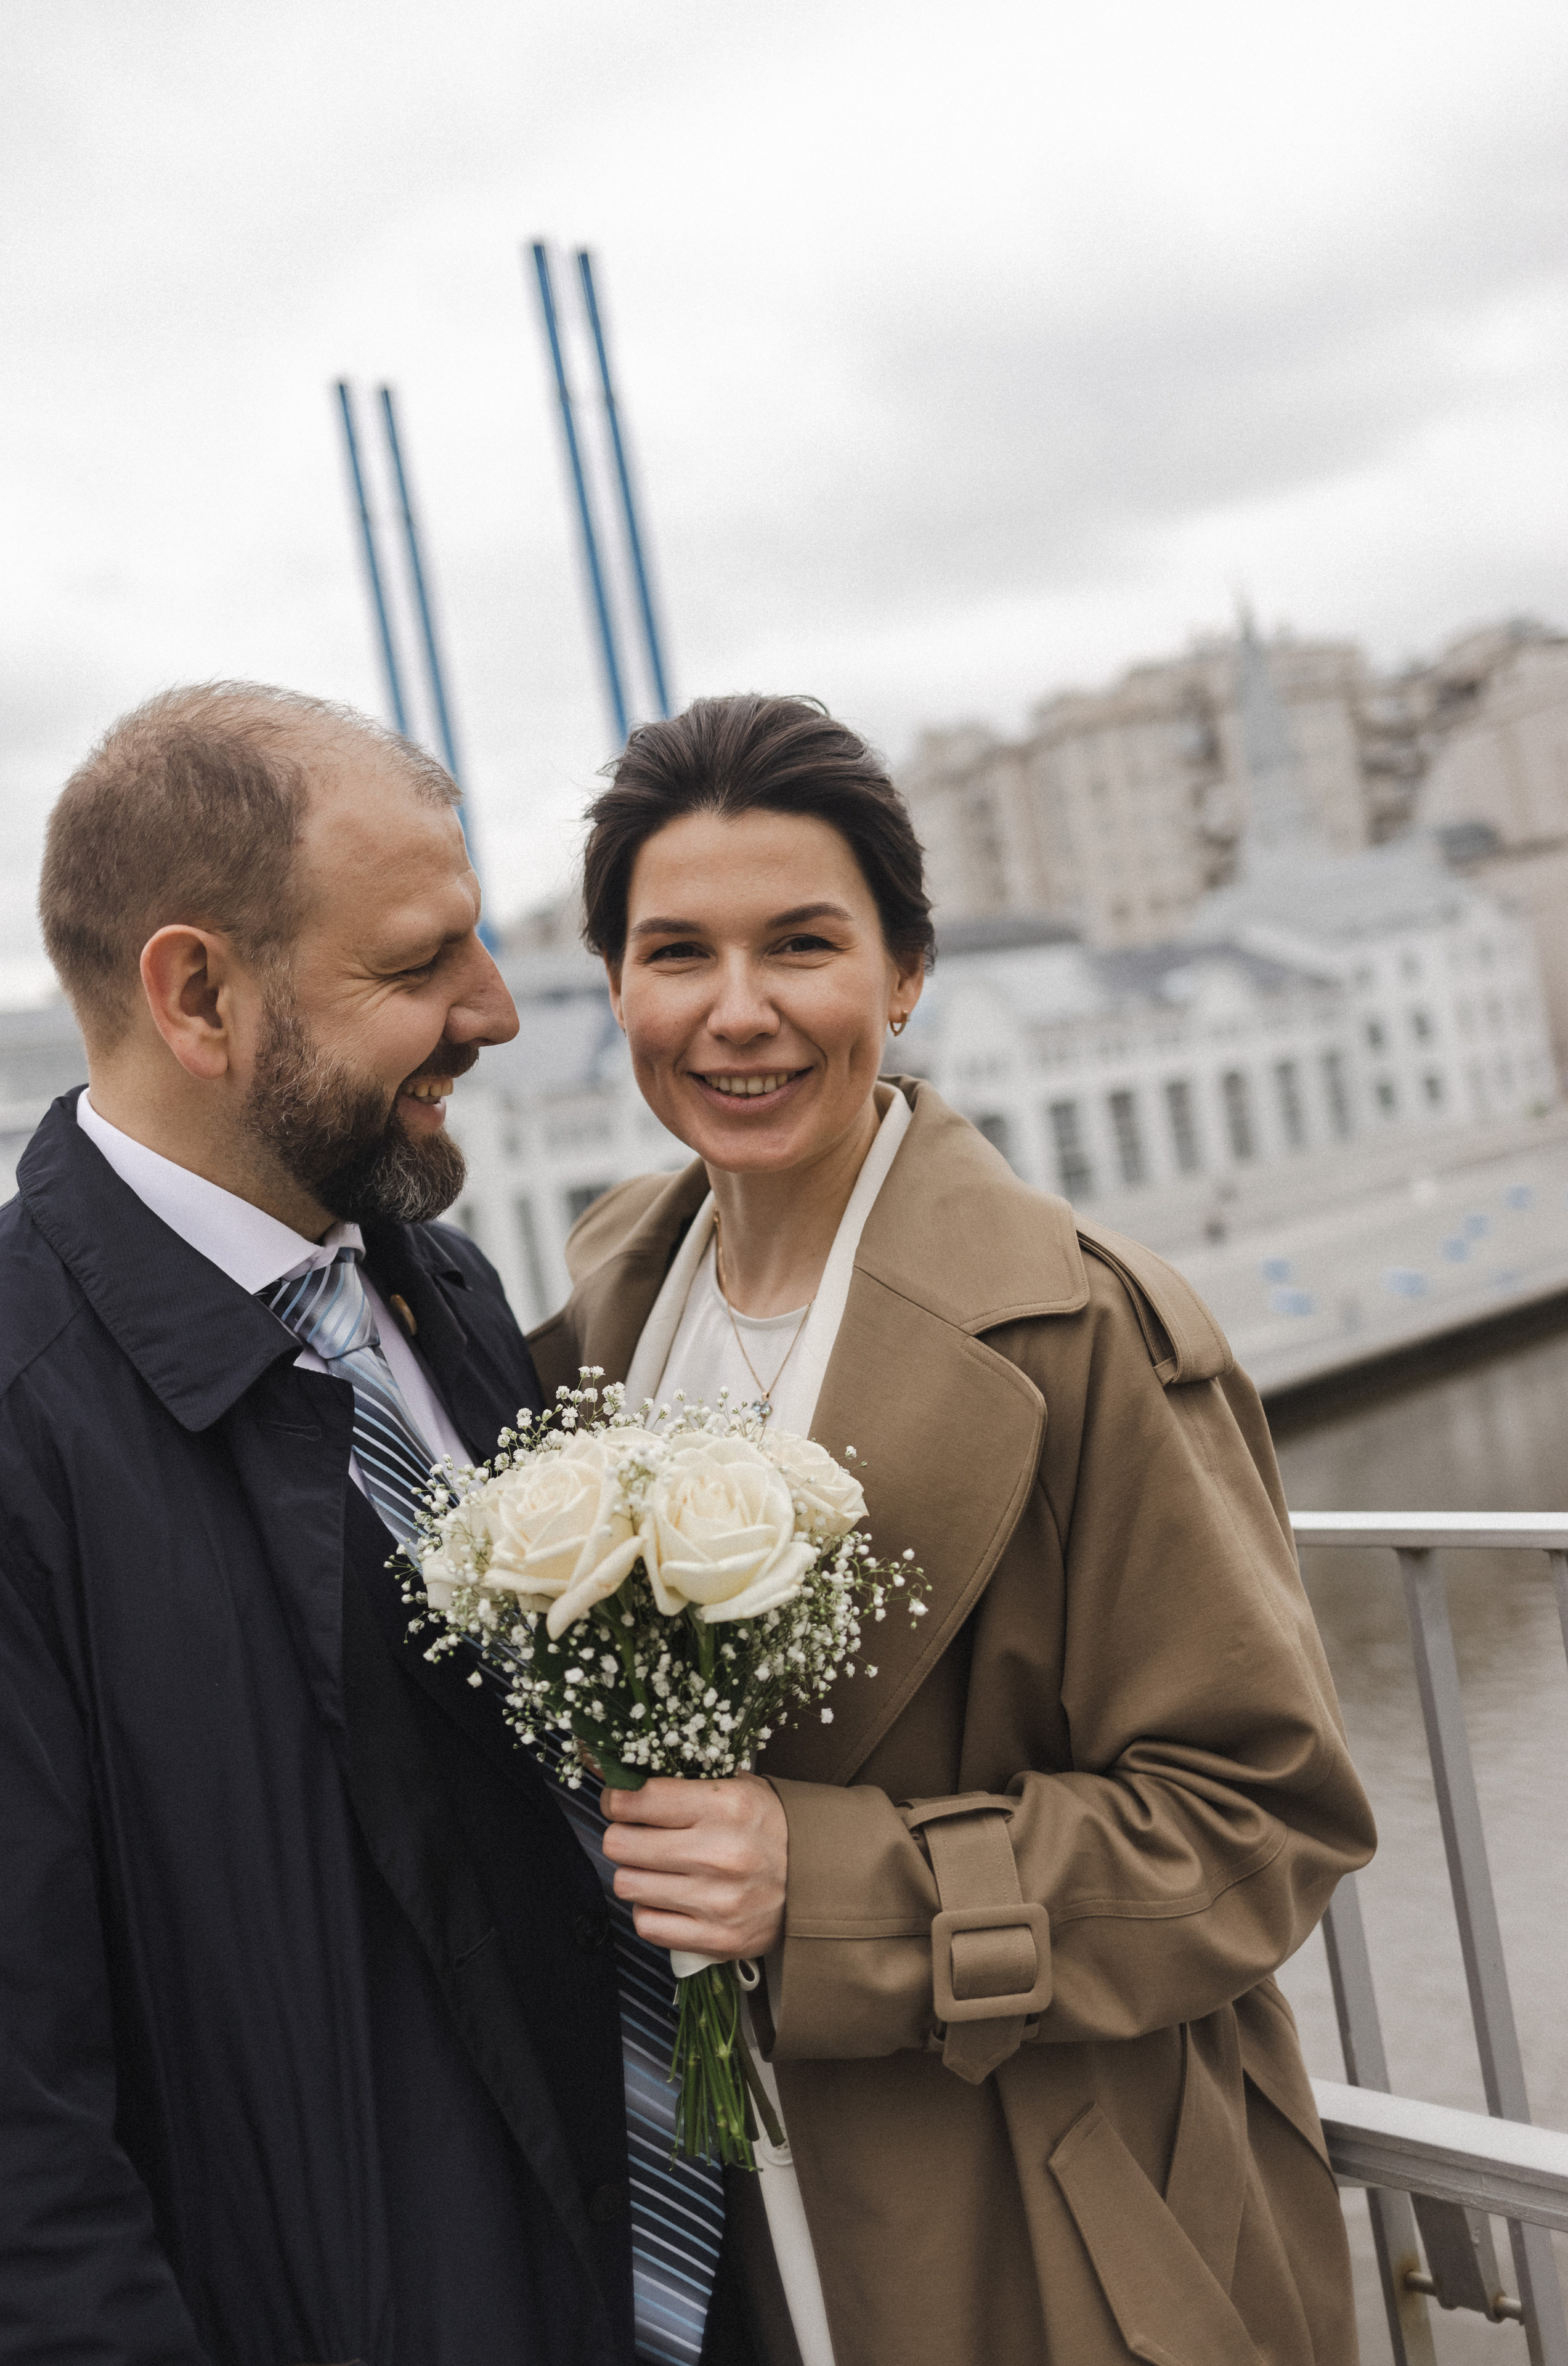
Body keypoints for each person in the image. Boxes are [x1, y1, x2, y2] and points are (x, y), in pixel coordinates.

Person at [530, 693, 1379, 2366]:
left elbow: (1262, 1822)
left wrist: (835, 1883)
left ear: (905, 974)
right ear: (615, 985)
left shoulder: (1083, 1329)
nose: (740, 1013)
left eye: (803, 945)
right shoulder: (609, 1298)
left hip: (1048, 2238)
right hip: (729, 2237)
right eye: (677, 952)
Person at [0, 685, 641, 2366]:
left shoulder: (441, 1281)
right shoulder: (10, 1431)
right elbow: (20, 2159)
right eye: (422, 965)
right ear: (198, 994)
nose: (496, 1009)